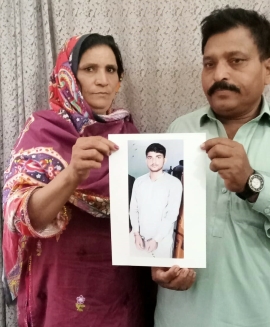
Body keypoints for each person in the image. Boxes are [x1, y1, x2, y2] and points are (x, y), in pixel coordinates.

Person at [152, 7, 270, 327]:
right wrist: (159, 263)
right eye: (209, 63)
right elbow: (162, 221)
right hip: (184, 318)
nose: (219, 74)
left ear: (269, 68)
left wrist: (253, 183)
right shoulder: (179, 130)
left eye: (236, 61)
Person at [2, 33, 155, 327]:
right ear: (68, 77)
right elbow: (20, 216)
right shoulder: (43, 132)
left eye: (111, 70)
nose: (102, 80)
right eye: (89, 69)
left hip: (118, 292)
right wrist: (71, 175)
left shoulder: (131, 138)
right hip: (61, 291)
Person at [129, 143, 183, 258]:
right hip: (138, 239)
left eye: (158, 157)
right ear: (146, 160)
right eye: (150, 157)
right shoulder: (139, 181)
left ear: (164, 159)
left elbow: (171, 215)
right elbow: (134, 209)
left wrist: (156, 239)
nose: (154, 161)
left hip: (161, 242)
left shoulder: (174, 183)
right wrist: (136, 233)